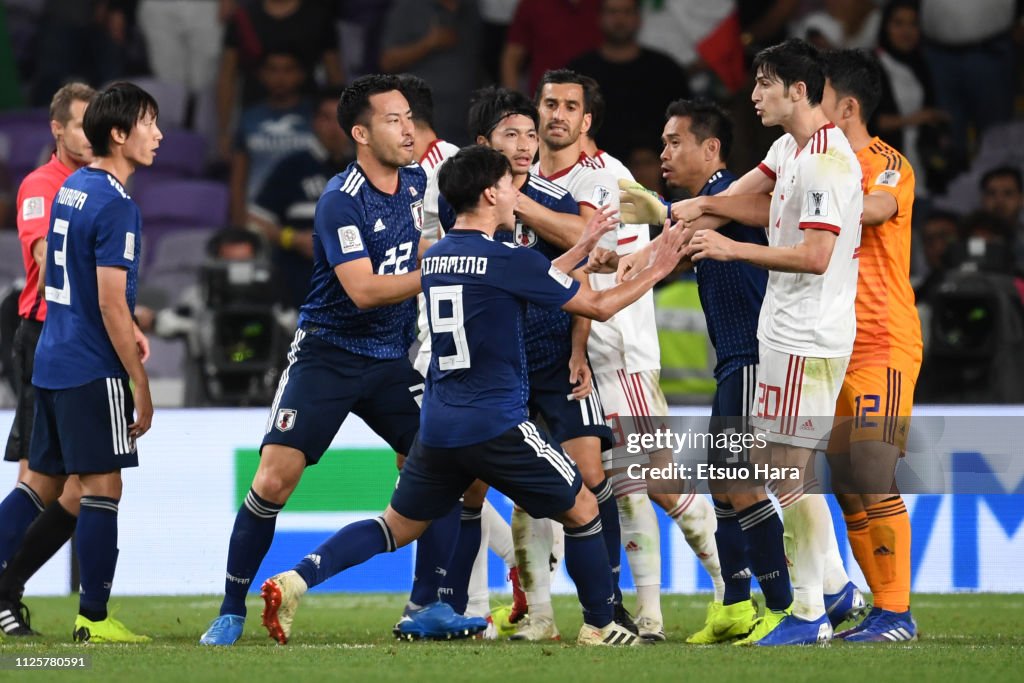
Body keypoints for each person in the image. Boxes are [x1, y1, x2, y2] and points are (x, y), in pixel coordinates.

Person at [257, 143, 687, 647]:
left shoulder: (437, 257)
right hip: (496, 424)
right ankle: (601, 624)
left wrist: (581, 249)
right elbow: (596, 305)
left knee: (395, 526)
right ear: (489, 193)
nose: (514, 194)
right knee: (584, 508)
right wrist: (659, 267)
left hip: (438, 427)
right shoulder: (508, 258)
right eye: (508, 185)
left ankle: (296, 579)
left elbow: (515, 280)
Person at [199, 74, 484, 646]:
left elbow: (460, 236)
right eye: (393, 120)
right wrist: (437, 268)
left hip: (389, 360)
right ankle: (230, 609)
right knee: (274, 482)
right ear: (360, 132)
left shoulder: (420, 185)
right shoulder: (339, 200)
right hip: (327, 355)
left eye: (410, 117)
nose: (409, 130)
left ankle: (426, 606)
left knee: (449, 467)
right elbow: (364, 290)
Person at [620, 39, 863, 646]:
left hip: (808, 335)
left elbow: (814, 254)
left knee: (781, 475)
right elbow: (737, 201)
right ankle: (828, 593)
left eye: (763, 83)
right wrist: (671, 220)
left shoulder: (827, 163)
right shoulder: (789, 149)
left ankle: (808, 606)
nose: (752, 94)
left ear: (798, 91)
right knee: (778, 475)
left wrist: (727, 244)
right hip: (777, 333)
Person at [540, 71, 723, 641]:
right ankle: (644, 617)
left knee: (655, 480)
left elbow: (613, 260)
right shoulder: (525, 179)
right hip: (558, 358)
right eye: (549, 104)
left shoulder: (609, 177)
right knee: (607, 487)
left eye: (570, 106)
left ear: (586, 120)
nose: (557, 115)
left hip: (619, 351)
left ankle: (731, 583)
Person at [430, 86, 613, 637]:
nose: (527, 144)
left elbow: (582, 271)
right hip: (497, 363)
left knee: (590, 476)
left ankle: (614, 608)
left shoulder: (557, 195)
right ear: (484, 143)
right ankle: (513, 611)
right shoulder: (464, 202)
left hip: (558, 354)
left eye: (532, 134)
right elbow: (497, 272)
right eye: (512, 134)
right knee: (479, 490)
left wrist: (579, 347)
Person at [0, 81, 161, 643]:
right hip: (92, 365)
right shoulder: (117, 205)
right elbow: (113, 303)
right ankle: (93, 620)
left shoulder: (73, 190)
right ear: (119, 134)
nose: (159, 136)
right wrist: (140, 385)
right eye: (148, 124)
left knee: (39, 483)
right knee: (103, 487)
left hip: (51, 357)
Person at [622, 98, 783, 645]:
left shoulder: (736, 197)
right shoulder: (708, 205)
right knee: (722, 482)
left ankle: (785, 607)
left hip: (755, 352)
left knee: (740, 482)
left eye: (674, 142)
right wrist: (623, 259)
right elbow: (675, 243)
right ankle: (736, 606)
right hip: (733, 358)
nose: (663, 154)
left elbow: (680, 226)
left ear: (710, 148)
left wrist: (640, 224)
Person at [819, 47, 921, 642]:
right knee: (845, 480)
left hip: (883, 339)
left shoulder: (886, 162)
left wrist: (816, 208)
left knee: (874, 471)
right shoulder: (816, 165)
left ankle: (896, 612)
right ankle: (877, 603)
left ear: (848, 106)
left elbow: (879, 208)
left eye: (820, 95)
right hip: (832, 339)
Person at [0, 82, 102, 638]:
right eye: (79, 124)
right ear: (56, 129)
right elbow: (45, 251)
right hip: (47, 336)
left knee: (75, 487)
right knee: (46, 480)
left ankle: (8, 589)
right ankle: (4, 590)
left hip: (83, 338)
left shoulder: (99, 185)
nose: (89, 135)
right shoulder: (42, 186)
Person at [248, 87, 354, 310]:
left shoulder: (367, 168)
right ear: (314, 122)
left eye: (340, 119)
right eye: (326, 118)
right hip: (298, 287)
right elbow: (255, 218)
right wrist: (291, 238)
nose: (334, 128)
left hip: (354, 291)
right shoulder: (292, 167)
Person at [567, 0, 689, 163]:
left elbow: (686, 125)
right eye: (612, 12)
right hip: (591, 169)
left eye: (627, 12)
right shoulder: (578, 73)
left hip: (659, 170)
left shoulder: (665, 70)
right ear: (600, 18)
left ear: (638, 17)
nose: (620, 20)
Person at [229, 49, 317, 225]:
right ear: (261, 75)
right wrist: (239, 220)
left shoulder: (317, 116)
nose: (280, 78)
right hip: (257, 214)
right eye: (273, 70)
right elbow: (239, 175)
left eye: (288, 70)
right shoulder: (249, 118)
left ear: (301, 75)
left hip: (305, 211)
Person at [380, 0, 480, 145]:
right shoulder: (408, 7)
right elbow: (387, 61)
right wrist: (429, 43)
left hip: (468, 115)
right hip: (427, 117)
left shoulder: (471, 8)